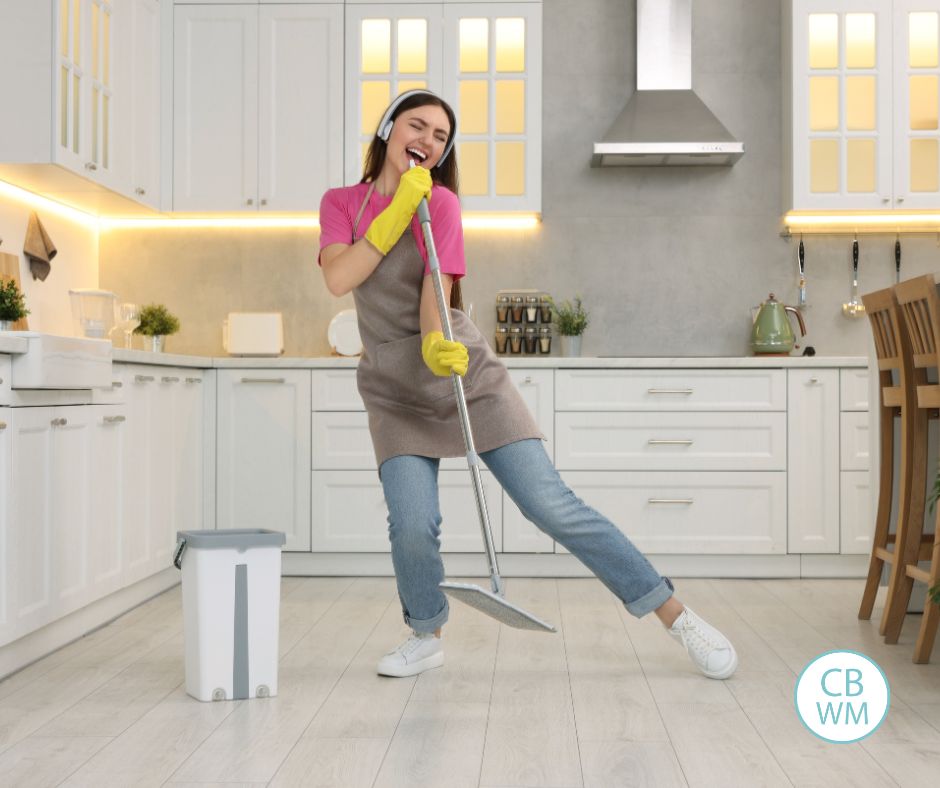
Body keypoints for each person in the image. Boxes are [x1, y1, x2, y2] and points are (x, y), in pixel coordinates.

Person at [318, 90, 738, 681]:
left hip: (462, 371)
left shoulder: (441, 205)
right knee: (412, 522)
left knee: (552, 506)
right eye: (418, 126)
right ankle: (424, 632)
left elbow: (435, 293)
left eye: (441, 136)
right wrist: (394, 215)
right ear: (389, 130)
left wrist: (439, 345)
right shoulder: (341, 204)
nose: (429, 142)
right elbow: (340, 277)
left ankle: (676, 614)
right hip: (392, 390)